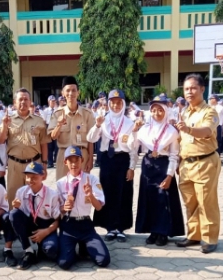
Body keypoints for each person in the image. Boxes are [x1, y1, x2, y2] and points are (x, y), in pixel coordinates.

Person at [175, 74, 221, 254]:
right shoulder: (185, 112)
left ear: (202, 89)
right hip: (186, 164)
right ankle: (194, 234)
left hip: (205, 162)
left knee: (206, 202)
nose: (189, 92)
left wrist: (188, 129)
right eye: (186, 89)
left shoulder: (209, 112)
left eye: (193, 88)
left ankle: (210, 238)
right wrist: (179, 161)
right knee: (190, 202)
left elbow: (207, 130)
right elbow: (182, 139)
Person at [87, 89, 137, 242]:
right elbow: (91, 138)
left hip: (123, 160)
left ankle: (121, 228)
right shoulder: (103, 120)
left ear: (123, 104)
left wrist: (132, 167)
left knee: (123, 193)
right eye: (113, 102)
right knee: (106, 192)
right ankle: (109, 227)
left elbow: (134, 148)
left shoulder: (129, 123)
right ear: (108, 104)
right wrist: (97, 125)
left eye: (119, 102)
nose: (116, 105)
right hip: (107, 160)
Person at [132, 95, 183, 246]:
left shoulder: (172, 131)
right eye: (154, 110)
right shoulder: (144, 129)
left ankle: (163, 232)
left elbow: (174, 155)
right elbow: (133, 146)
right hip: (148, 165)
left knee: (163, 199)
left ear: (166, 111)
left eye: (160, 110)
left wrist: (169, 176)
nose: (157, 113)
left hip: (164, 165)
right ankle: (153, 231)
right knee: (150, 199)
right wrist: (134, 132)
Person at [55, 146, 110, 270]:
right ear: (65, 162)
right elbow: (56, 210)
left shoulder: (91, 179)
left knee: (104, 260)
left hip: (85, 225)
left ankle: (84, 244)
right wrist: (64, 208)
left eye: (77, 160)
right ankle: (74, 249)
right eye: (70, 160)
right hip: (69, 225)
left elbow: (99, 207)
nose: (74, 164)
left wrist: (90, 195)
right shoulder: (60, 183)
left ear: (82, 160)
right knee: (64, 263)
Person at [0, 88, 49, 206]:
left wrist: (44, 165)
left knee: (34, 196)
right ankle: (15, 222)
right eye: (20, 99)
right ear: (15, 102)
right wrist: (5, 125)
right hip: (14, 165)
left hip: (34, 163)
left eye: (26, 99)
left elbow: (44, 143)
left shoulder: (39, 121)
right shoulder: (7, 120)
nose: (23, 102)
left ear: (30, 102)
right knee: (13, 197)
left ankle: (34, 222)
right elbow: (0, 140)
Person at [9, 162, 60, 270]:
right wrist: (16, 207)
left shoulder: (52, 194)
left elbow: (58, 220)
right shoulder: (21, 192)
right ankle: (28, 251)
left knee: (51, 251)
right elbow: (18, 219)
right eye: (28, 177)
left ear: (43, 176)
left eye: (34, 177)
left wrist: (46, 231)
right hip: (30, 223)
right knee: (13, 214)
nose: (30, 180)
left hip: (46, 225)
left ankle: (42, 248)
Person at [47, 76, 95, 180]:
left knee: (83, 191)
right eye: (67, 90)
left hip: (82, 156)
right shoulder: (57, 114)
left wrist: (90, 159)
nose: (71, 93)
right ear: (62, 93)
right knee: (63, 191)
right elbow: (53, 137)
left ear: (78, 92)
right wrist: (59, 125)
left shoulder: (87, 114)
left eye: (74, 90)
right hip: (64, 156)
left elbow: (91, 140)